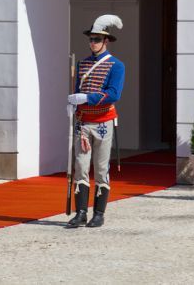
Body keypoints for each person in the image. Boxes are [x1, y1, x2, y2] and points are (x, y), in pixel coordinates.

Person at [67, 14, 125, 229]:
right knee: (80, 167)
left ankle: (98, 214)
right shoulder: (82, 64)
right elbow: (78, 91)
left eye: (97, 39)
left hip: (103, 121)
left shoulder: (116, 66)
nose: (93, 43)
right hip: (83, 122)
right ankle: (81, 212)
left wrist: (86, 98)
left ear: (106, 41)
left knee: (101, 168)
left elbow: (113, 94)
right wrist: (73, 102)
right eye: (91, 39)